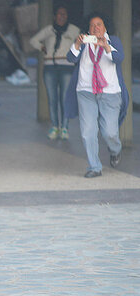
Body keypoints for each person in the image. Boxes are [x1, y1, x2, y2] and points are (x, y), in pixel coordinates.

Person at [64, 13, 129, 178]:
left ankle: (115, 150)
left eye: (99, 24)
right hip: (86, 92)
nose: (95, 28)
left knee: (110, 132)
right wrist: (77, 44)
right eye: (92, 25)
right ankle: (94, 166)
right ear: (88, 29)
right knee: (88, 132)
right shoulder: (85, 42)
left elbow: (119, 58)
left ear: (105, 27)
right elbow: (71, 58)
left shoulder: (113, 41)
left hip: (110, 93)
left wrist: (106, 46)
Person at [30, 6, 80, 140]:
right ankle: (54, 126)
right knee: (52, 98)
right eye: (59, 14)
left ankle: (64, 127)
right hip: (50, 67)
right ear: (55, 16)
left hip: (67, 66)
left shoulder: (74, 30)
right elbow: (33, 40)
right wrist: (42, 47)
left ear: (67, 16)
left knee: (64, 98)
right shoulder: (49, 30)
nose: (61, 16)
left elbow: (82, 44)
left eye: (64, 14)